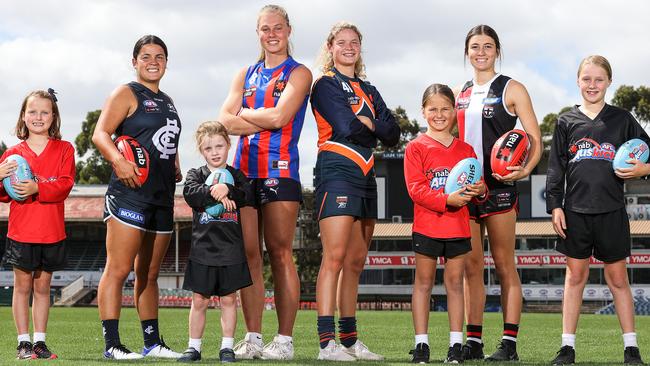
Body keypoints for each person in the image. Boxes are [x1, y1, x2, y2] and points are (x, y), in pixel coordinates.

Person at [218, 4, 312, 360]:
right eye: (264, 29)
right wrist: (260, 119)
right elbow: (224, 121)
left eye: (277, 28)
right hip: (243, 173)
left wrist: (244, 114)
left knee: (280, 253)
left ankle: (284, 341)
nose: (271, 34)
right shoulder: (245, 73)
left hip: (280, 171)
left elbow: (281, 116)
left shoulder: (300, 73)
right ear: (258, 33)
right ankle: (253, 337)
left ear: (288, 30)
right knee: (249, 256)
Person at [546, 55, 647, 366]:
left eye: (599, 79)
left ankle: (631, 348)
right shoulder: (565, 121)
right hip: (575, 210)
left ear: (609, 82)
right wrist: (555, 207)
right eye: (586, 79)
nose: (592, 85)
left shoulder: (623, 119)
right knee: (575, 277)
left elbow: (648, 151)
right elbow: (555, 170)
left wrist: (644, 167)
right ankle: (567, 347)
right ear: (578, 81)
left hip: (612, 210)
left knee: (617, 278)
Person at [311, 21, 400, 361]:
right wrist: (368, 127)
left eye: (354, 42)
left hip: (366, 174)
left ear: (360, 47)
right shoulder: (324, 85)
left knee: (355, 261)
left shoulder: (369, 89)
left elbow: (392, 133)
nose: (348, 47)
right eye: (341, 42)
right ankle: (326, 343)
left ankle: (349, 340)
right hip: (336, 171)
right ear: (331, 47)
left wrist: (371, 125)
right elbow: (346, 127)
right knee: (333, 257)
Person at [455, 24, 542, 362]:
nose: (481, 52)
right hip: (468, 187)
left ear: (497, 51)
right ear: (467, 52)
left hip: (500, 188)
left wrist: (526, 168)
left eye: (488, 46)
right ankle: (473, 342)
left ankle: (509, 343)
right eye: (475, 46)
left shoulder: (512, 88)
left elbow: (534, 137)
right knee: (471, 267)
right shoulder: (459, 92)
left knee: (505, 265)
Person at [93, 35, 183, 360]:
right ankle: (113, 345)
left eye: (159, 56)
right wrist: (119, 161)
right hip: (129, 194)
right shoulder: (126, 93)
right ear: (135, 62)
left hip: (162, 197)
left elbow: (163, 140)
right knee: (118, 269)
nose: (153, 61)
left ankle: (152, 343)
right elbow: (100, 133)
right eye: (146, 56)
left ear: (166, 62)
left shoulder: (168, 100)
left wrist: (175, 163)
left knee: (149, 275)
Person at [405, 84, 486, 364]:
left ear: (454, 111)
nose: (439, 114)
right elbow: (416, 190)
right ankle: (421, 346)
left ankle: (455, 345)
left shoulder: (465, 149)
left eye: (445, 109)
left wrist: (480, 190)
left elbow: (477, 182)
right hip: (427, 225)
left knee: (454, 284)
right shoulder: (416, 147)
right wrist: (447, 199)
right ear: (424, 111)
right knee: (423, 284)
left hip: (458, 227)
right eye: (433, 109)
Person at [0, 89, 75, 360]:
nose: (38, 116)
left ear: (53, 116)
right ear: (23, 116)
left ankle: (40, 343)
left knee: (43, 289)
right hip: (22, 230)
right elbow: (4, 193)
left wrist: (36, 187)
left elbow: (65, 184)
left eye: (45, 112)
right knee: (22, 288)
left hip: (52, 230)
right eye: (32, 111)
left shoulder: (65, 149)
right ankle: (23, 343)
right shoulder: (11, 154)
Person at [178, 121, 253, 363]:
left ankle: (227, 348)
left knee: (229, 299)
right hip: (202, 249)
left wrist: (227, 187)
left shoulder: (237, 176)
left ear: (228, 145)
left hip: (231, 249)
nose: (215, 152)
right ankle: (193, 348)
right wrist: (215, 189)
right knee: (199, 300)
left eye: (219, 146)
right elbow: (191, 195)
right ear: (202, 151)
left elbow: (248, 195)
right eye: (209, 148)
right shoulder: (195, 175)